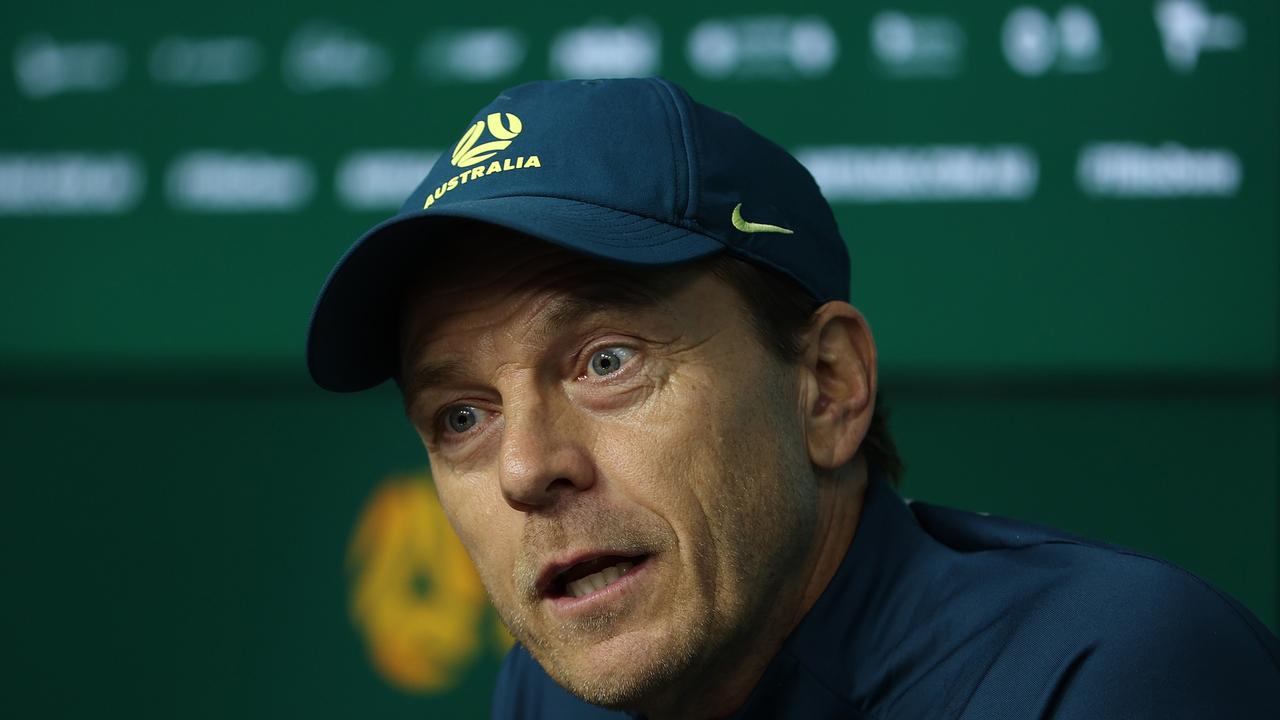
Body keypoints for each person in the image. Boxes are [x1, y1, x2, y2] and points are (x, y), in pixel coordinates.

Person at [306, 77, 1279, 718]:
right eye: (460, 417)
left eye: (605, 361)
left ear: (826, 387)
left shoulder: (1102, 675)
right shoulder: (552, 691)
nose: (524, 469)